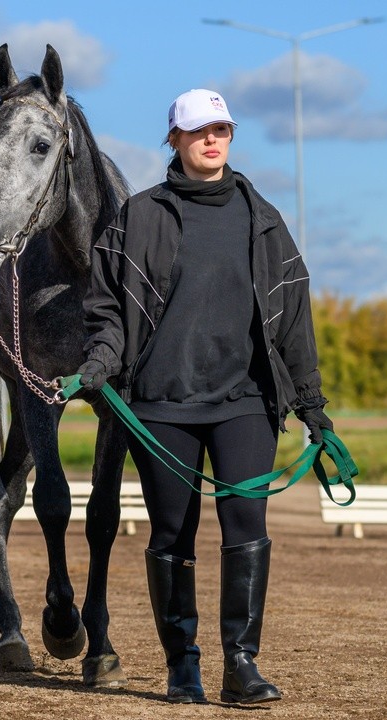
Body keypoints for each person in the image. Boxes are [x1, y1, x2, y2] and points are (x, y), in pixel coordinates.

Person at [78, 89, 333, 705]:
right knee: (172, 534)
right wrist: (100, 362)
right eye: (198, 131)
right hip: (161, 405)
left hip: (247, 400)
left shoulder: (263, 216)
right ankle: (181, 664)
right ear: (175, 140)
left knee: (246, 526)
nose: (211, 139)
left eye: (220, 129)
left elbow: (293, 313)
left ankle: (241, 664)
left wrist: (311, 404)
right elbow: (106, 308)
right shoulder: (138, 216)